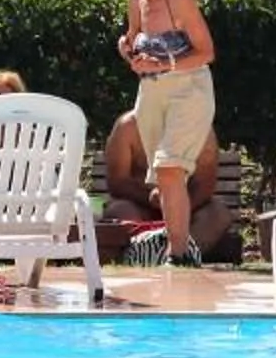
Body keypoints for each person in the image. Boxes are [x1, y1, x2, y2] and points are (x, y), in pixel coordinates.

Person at [113, 0, 217, 263]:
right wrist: (127, 52)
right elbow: (132, 40)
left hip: (189, 87)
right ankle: (176, 249)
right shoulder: (135, 2)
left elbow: (206, 52)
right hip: (151, 90)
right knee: (163, 174)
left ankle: (179, 253)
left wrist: (163, 62)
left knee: (170, 167)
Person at [100, 111, 234, 261]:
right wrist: (151, 197)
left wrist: (176, 205)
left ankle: (184, 255)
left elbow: (205, 186)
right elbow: (117, 182)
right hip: (140, 208)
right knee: (120, 211)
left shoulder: (201, 130)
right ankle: (144, 253)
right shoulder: (127, 127)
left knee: (218, 213)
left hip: (190, 211)